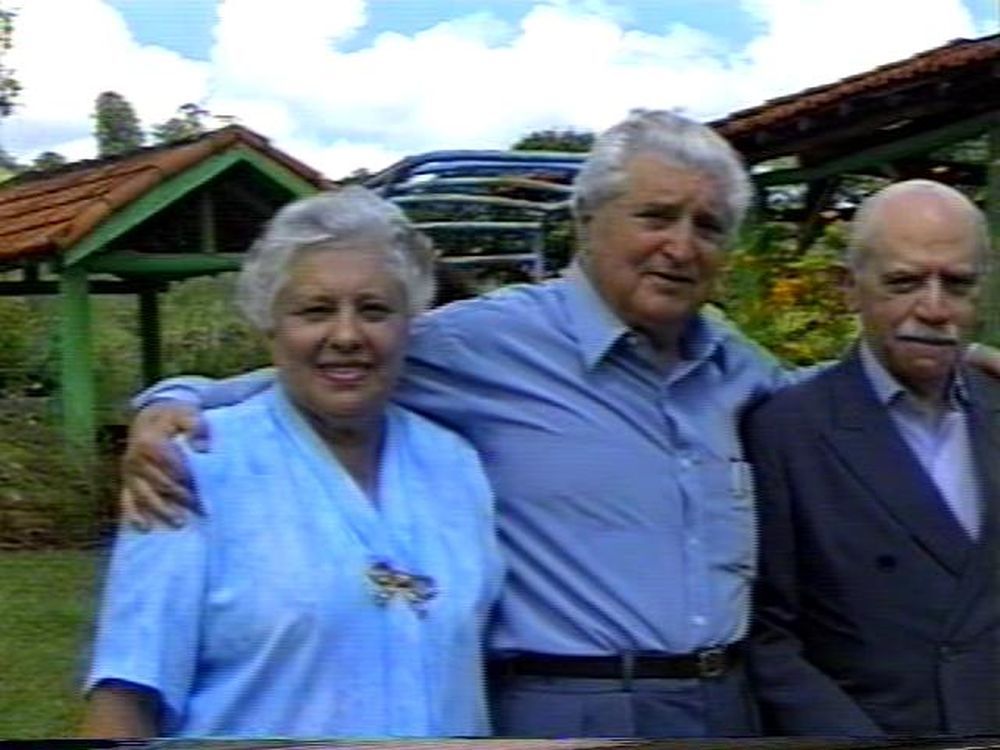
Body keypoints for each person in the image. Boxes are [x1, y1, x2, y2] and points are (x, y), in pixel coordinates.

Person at [116, 111, 1000, 737]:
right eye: (654, 216)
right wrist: (172, 401)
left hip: (728, 702)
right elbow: (335, 351)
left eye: (707, 225)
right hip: (567, 703)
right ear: (585, 222)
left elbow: (838, 399)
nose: (681, 245)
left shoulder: (736, 369)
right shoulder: (485, 344)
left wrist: (950, 354)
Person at [81, 187, 503, 739]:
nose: (347, 335)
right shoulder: (193, 466)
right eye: (316, 310)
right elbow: (127, 696)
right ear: (269, 324)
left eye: (374, 310)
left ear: (410, 325)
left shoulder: (455, 464)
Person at [745, 180, 1000, 736]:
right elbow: (767, 633)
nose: (933, 309)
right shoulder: (788, 431)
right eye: (904, 282)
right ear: (849, 289)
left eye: (956, 284)